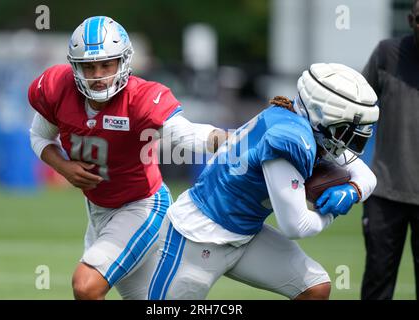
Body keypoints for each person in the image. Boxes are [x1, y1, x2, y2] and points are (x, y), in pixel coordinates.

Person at [27, 16, 226, 300]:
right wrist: (63, 166)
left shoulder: (140, 98)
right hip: (98, 211)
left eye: (106, 64)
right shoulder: (58, 88)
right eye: (89, 66)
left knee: (86, 285)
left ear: (123, 62)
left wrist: (237, 139)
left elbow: (188, 135)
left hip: (141, 206)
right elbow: (39, 136)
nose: (98, 75)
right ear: (75, 66)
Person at [147, 63, 379, 300]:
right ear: (324, 115)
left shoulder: (303, 121)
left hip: (246, 234)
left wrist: (352, 190)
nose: (348, 141)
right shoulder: (291, 138)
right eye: (345, 130)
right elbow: (296, 226)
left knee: (314, 288)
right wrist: (331, 212)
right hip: (198, 237)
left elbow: (367, 177)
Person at [360, 0, 419, 300]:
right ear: (411, 20)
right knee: (377, 285)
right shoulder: (387, 55)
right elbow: (355, 108)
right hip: (385, 193)